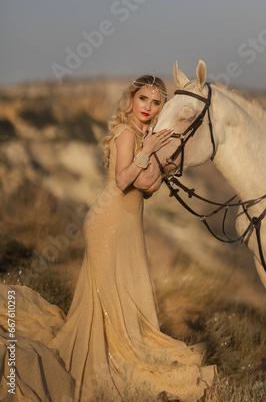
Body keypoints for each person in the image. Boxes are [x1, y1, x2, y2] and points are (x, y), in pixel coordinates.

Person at [0, 75, 216, 401]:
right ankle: (110, 367)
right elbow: (122, 179)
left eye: (156, 102)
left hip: (128, 226)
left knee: (128, 293)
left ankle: (118, 357)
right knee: (113, 298)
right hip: (109, 224)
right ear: (132, 99)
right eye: (143, 99)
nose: (149, 107)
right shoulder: (127, 132)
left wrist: (162, 161)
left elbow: (147, 187)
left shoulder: (145, 135)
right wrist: (151, 151)